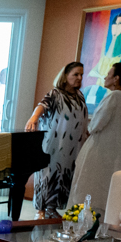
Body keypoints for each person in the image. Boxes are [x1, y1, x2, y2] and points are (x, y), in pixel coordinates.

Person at [68, 62, 121, 211]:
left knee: (88, 187)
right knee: (108, 190)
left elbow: (95, 125)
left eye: (109, 74)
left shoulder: (114, 96)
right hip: (118, 153)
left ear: (116, 78)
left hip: (100, 151)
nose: (106, 77)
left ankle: (82, 220)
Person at [26, 61, 88, 216]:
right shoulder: (55, 94)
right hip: (54, 144)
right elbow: (42, 105)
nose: (80, 78)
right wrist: (34, 118)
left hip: (72, 147)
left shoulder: (80, 96)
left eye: (81, 74)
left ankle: (52, 208)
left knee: (64, 176)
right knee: (47, 175)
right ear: (65, 76)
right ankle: (41, 210)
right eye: (76, 74)